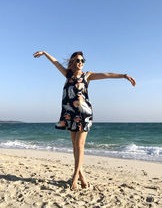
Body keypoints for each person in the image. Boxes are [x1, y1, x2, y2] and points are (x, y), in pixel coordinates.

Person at [33, 51, 136, 190]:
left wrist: (123, 76)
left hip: (84, 115)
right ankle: (82, 176)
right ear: (72, 63)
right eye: (77, 60)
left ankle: (74, 178)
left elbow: (107, 75)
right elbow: (55, 62)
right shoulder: (67, 74)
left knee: (80, 145)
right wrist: (45, 53)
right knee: (75, 147)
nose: (80, 62)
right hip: (69, 114)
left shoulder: (87, 76)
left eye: (82, 60)